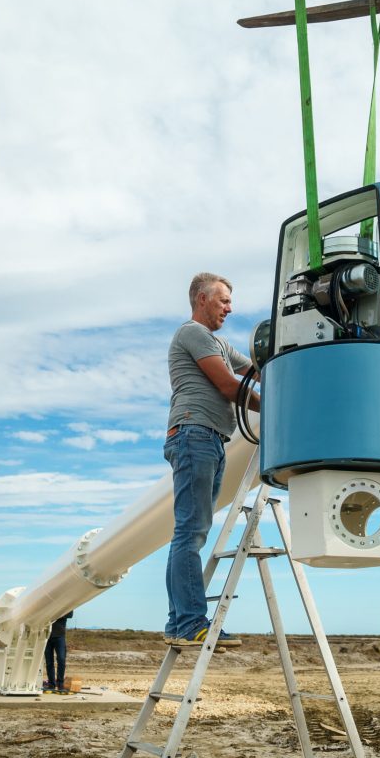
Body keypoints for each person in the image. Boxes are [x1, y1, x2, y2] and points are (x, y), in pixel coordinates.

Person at [163, 272, 260, 648]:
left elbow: (252, 371)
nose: (229, 308)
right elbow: (230, 385)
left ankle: (180, 623)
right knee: (190, 532)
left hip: (210, 440)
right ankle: (189, 622)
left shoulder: (218, 343)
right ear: (202, 299)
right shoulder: (192, 334)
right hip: (194, 435)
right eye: (223, 301)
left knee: (193, 532)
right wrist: (276, 408)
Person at [43, 610, 73, 691]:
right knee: (49, 662)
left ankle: (60, 684)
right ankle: (51, 684)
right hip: (47, 635)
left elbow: (70, 614)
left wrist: (55, 613)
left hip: (59, 636)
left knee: (61, 660)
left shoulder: (65, 604)